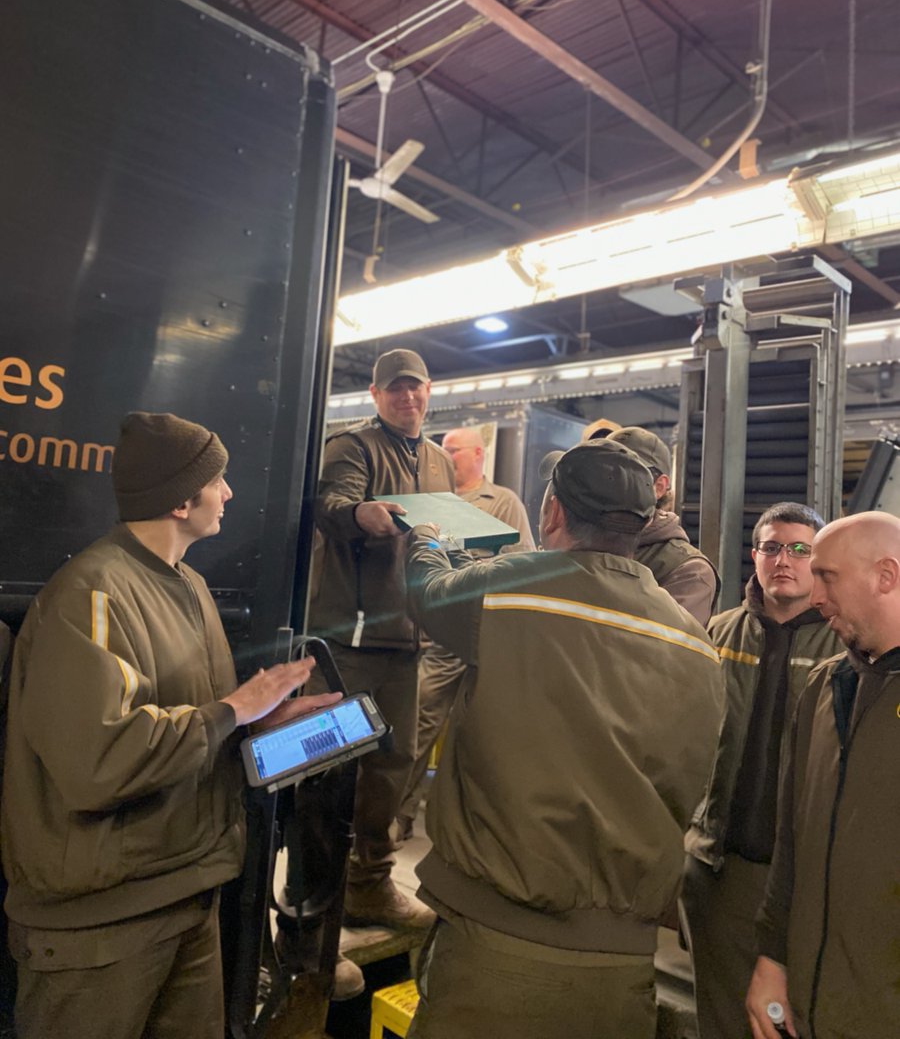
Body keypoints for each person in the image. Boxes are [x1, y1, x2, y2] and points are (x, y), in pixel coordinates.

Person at [0, 411, 340, 1039]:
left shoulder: (192, 588)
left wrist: (262, 726)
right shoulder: (92, 595)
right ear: (183, 499)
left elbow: (193, 729)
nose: (230, 494)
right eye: (219, 481)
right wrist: (235, 709)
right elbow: (97, 761)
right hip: (104, 928)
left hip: (189, 891)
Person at [403, 439, 724, 1039]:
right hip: (624, 963)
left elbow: (426, 591)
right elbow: (691, 782)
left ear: (551, 513)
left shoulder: (511, 589)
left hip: (496, 950)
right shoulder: (695, 641)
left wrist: (425, 533)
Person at [302, 348, 454, 934]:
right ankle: (311, 906)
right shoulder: (353, 447)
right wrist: (360, 512)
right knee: (328, 767)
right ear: (375, 394)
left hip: (409, 639)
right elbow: (331, 506)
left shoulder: (439, 461)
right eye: (394, 389)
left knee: (394, 764)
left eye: (414, 387)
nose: (406, 397)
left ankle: (369, 884)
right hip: (350, 641)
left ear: (428, 389)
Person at [681, 502, 841, 1039]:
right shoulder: (716, 634)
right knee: (722, 1014)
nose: (784, 560)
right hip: (720, 867)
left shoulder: (844, 646)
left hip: (803, 876)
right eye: (772, 547)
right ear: (755, 555)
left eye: (800, 549)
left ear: (818, 562)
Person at [746, 511, 900, 1039]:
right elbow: (792, 839)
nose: (815, 596)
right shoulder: (823, 688)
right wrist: (773, 959)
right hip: (812, 1003)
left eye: (828, 576)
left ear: (886, 576)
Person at [395, 427, 535, 839]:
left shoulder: (503, 502)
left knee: (485, 731)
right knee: (417, 722)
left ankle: (478, 828)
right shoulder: (434, 501)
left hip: (485, 630)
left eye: (454, 450)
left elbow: (521, 563)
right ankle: (397, 815)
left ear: (478, 454)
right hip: (434, 632)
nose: (446, 456)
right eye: (444, 449)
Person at [607, 425, 719, 625]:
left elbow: (660, 650)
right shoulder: (579, 538)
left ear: (658, 487)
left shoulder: (689, 571)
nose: (608, 482)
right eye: (604, 471)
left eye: (625, 472)